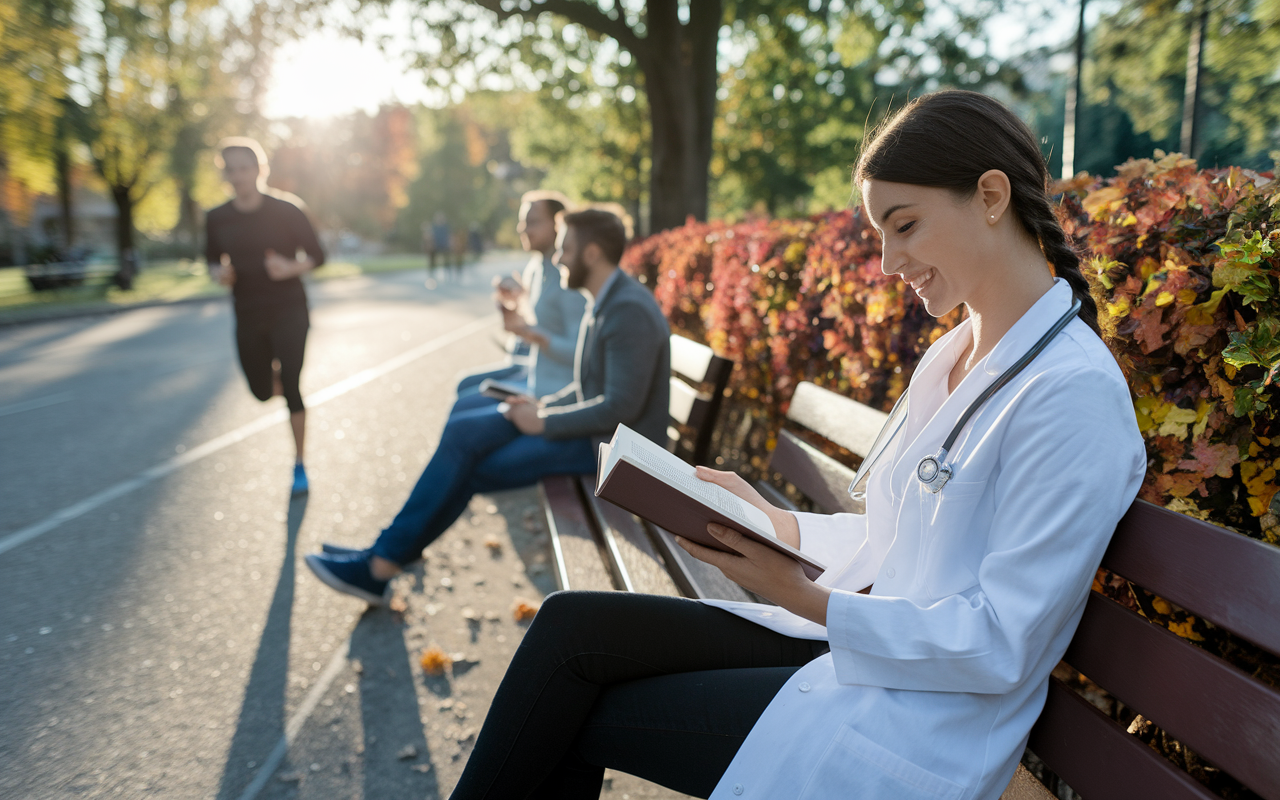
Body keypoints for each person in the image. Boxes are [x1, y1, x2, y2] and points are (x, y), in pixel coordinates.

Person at [444, 90, 1148, 800]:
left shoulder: (1071, 394)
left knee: (580, 714)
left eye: (903, 225)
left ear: (990, 195)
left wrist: (806, 599)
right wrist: (773, 523)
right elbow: (892, 537)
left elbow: (1002, 644)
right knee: (570, 629)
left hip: (922, 713)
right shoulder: (956, 354)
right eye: (880, 232)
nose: (885, 261)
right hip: (855, 641)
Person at [304, 208, 670, 605]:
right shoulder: (604, 299)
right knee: (465, 432)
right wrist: (540, 404)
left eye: (566, 248)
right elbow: (587, 387)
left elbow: (621, 408)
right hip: (595, 436)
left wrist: (544, 422)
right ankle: (385, 556)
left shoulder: (626, 310)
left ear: (592, 254)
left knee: (476, 468)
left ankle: (382, 563)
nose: (559, 258)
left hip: (613, 455)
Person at [206, 137, 325, 495]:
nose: (238, 176)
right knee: (260, 391)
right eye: (231, 170)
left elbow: (318, 256)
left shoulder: (287, 210)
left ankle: (300, 464)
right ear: (225, 174)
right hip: (247, 313)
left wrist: (289, 267)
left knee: (291, 387)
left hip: (289, 310)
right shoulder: (217, 218)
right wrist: (219, 274)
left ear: (259, 170)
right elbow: (212, 260)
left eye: (245, 168)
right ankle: (283, 382)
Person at [452, 190, 586, 414]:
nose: (522, 229)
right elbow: (534, 328)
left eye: (532, 222)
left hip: (551, 392)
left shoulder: (569, 276)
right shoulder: (536, 267)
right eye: (523, 222)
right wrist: (516, 304)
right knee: (463, 385)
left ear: (558, 224)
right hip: (533, 373)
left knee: (463, 410)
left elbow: (582, 354)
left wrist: (535, 335)